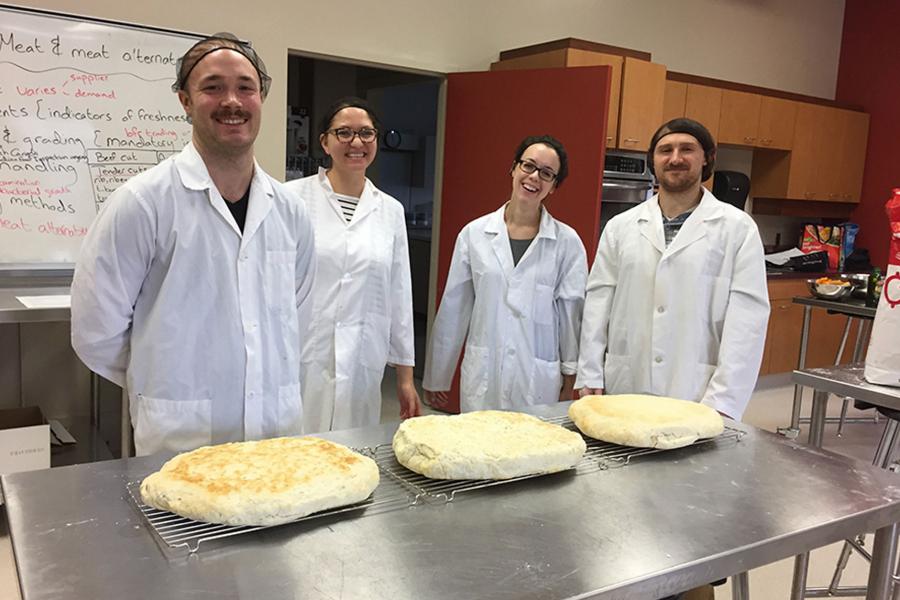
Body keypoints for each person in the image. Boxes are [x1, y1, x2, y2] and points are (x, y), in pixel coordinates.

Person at [71, 33, 316, 456]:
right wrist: (163, 376)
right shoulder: (143, 203)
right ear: (185, 100)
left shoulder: (290, 211)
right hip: (179, 439)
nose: (232, 101)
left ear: (261, 98)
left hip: (276, 434)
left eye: (245, 87)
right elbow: (96, 331)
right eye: (212, 87)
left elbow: (300, 312)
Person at [575, 118, 770, 421]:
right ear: (653, 160)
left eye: (687, 149)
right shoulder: (620, 228)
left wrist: (724, 400)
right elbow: (598, 304)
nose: (675, 158)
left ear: (706, 158)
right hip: (626, 383)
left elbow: (747, 321)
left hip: (697, 390)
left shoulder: (738, 229)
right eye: (665, 150)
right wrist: (589, 373)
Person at [423, 134, 587, 411]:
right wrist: (438, 375)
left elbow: (571, 313)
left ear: (554, 186)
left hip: (536, 376)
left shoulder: (567, 242)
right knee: (480, 448)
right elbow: (454, 307)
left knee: (534, 449)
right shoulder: (474, 234)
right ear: (513, 168)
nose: (534, 177)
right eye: (529, 166)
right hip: (484, 370)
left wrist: (571, 375)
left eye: (546, 173)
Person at [285, 97, 420, 433]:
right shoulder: (291, 199)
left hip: (362, 356)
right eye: (343, 133)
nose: (356, 142)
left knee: (351, 453)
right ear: (325, 142)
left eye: (366, 133)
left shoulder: (390, 211)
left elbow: (399, 294)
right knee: (296, 455)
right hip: (302, 353)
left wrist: (405, 378)